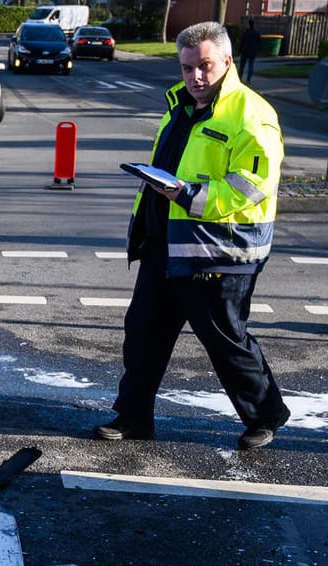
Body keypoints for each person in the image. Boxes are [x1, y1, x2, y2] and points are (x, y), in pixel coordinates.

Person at [95, 21, 290, 451]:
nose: (196, 77)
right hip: (166, 245)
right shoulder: (180, 106)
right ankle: (132, 418)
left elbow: (251, 186)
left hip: (218, 253)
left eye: (204, 67)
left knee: (226, 342)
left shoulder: (251, 114)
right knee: (143, 334)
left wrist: (187, 194)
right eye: (187, 69)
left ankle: (266, 416)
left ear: (227, 62)